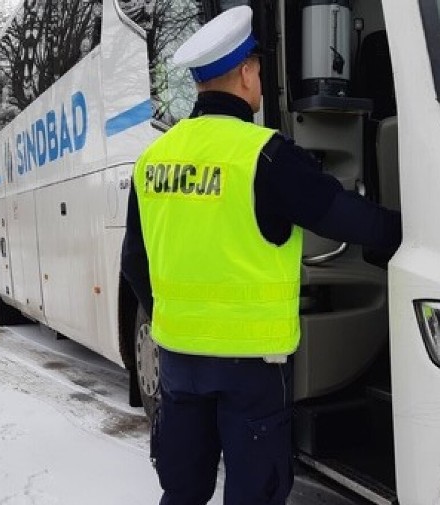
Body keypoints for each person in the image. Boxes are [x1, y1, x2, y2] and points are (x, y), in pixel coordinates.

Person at [119, 6, 401, 505]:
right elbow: (343, 218)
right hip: (252, 370)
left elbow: (135, 260)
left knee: (182, 490)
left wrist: (174, 319)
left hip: (180, 364)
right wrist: (409, 230)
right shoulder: (265, 156)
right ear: (247, 72)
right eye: (257, 72)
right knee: (255, 495)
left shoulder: (153, 160)